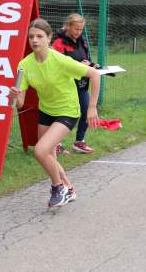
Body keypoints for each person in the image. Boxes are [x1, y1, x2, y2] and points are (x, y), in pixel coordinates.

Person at [10, 18, 100, 207]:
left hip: (67, 110)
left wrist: (91, 108)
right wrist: (14, 95)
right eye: (31, 37)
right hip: (46, 111)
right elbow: (19, 104)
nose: (35, 40)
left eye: (40, 36)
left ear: (49, 38)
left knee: (40, 150)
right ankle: (69, 188)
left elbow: (94, 74)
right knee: (48, 154)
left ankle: (58, 188)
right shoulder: (24, 65)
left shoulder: (60, 59)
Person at [52, 13, 98, 154]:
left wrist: (92, 65)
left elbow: (87, 58)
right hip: (65, 86)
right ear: (68, 26)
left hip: (82, 85)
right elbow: (55, 65)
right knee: (63, 114)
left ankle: (79, 142)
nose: (79, 32)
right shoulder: (58, 43)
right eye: (76, 29)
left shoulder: (82, 41)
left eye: (81, 29)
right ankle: (55, 144)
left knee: (86, 112)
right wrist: (78, 65)